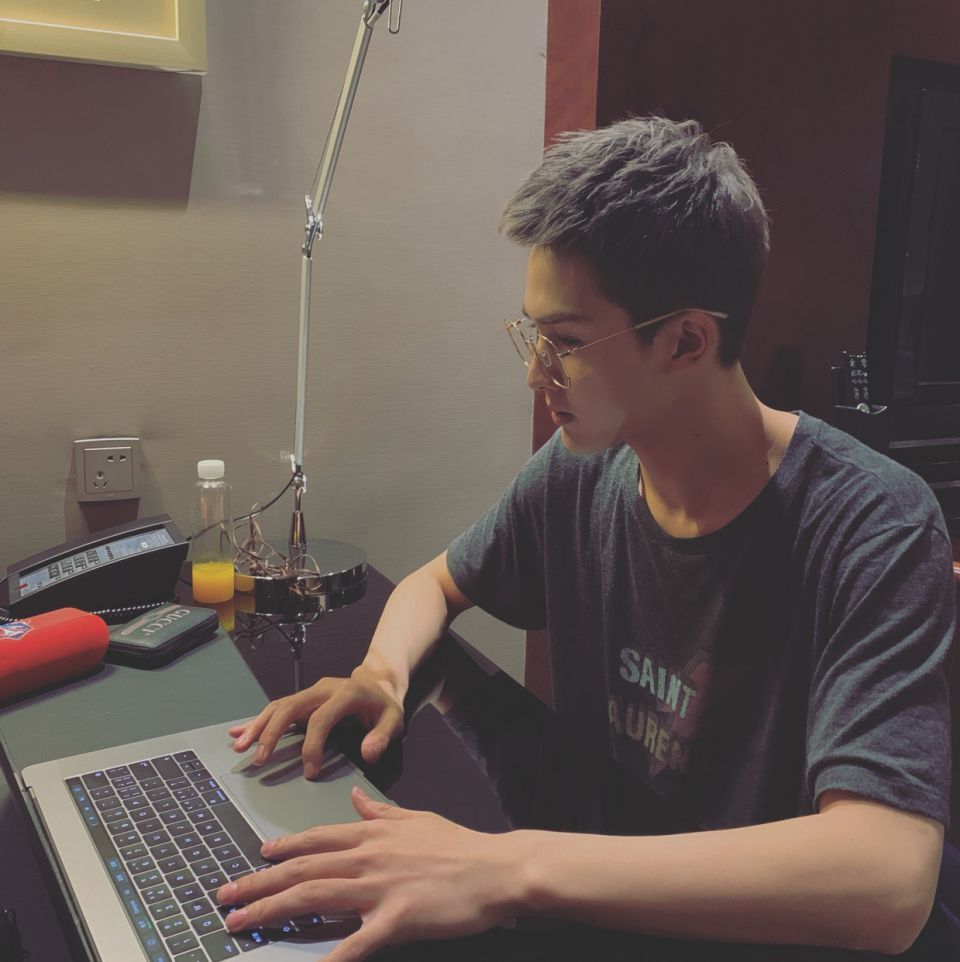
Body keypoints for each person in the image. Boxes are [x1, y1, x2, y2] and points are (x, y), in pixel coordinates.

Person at [217, 117, 953, 960]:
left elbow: (888, 880)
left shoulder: (871, 524)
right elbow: (436, 583)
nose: (536, 372)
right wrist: (382, 675)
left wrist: (505, 867)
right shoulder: (580, 474)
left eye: (565, 343)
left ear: (686, 340)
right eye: (533, 334)